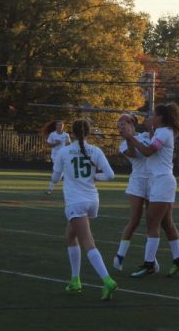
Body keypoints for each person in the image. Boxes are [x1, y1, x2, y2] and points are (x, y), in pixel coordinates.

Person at [50, 119, 118, 300]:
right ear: (88, 133)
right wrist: (94, 176)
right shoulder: (95, 150)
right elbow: (110, 175)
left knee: (87, 241)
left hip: (75, 202)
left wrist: (53, 183)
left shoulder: (64, 151)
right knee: (70, 236)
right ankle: (75, 280)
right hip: (92, 200)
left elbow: (56, 176)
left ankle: (107, 280)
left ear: (71, 133)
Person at [119, 102, 179, 278]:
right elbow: (151, 149)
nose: (150, 118)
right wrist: (147, 132)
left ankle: (149, 264)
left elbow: (148, 151)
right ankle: (178, 259)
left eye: (153, 115)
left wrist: (130, 137)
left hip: (162, 182)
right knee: (166, 223)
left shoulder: (164, 132)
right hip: (161, 181)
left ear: (161, 118)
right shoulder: (161, 132)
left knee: (152, 223)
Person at [113, 113, 151, 271]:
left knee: (152, 222)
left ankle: (150, 259)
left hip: (154, 181)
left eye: (124, 124)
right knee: (134, 220)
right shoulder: (123, 144)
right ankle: (120, 255)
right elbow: (134, 154)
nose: (121, 128)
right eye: (119, 126)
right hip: (137, 181)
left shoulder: (146, 135)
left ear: (132, 124)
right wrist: (129, 138)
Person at [44, 120, 69, 195]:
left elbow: (69, 143)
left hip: (64, 156)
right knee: (59, 172)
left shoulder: (66, 135)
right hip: (55, 156)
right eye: (58, 125)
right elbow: (49, 145)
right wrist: (56, 143)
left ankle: (50, 189)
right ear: (56, 126)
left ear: (63, 126)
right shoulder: (52, 134)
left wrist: (68, 143)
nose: (60, 126)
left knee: (58, 173)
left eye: (61, 125)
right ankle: (50, 188)